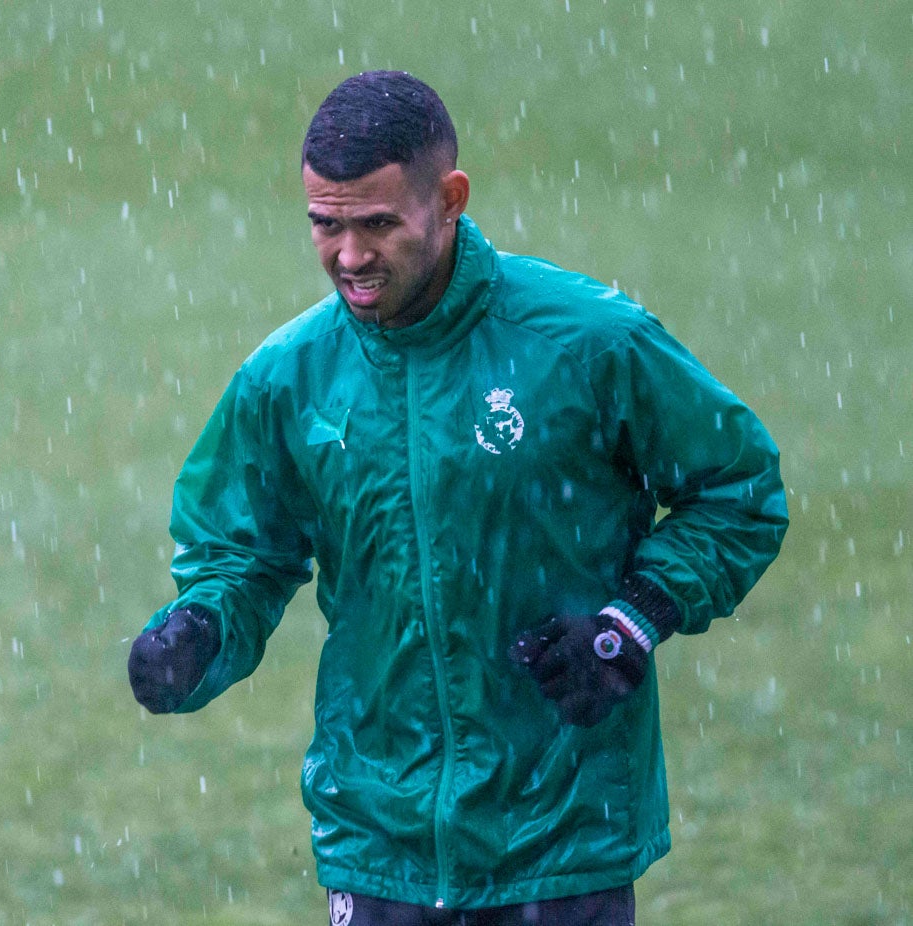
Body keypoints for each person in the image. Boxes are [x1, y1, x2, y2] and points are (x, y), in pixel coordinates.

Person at [127, 71, 787, 926]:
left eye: (377, 224)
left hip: (561, 838)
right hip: (378, 839)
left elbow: (738, 490)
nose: (349, 257)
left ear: (449, 199)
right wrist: (202, 629)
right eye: (324, 225)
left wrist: (631, 622)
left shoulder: (586, 341)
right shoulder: (288, 377)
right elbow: (241, 553)